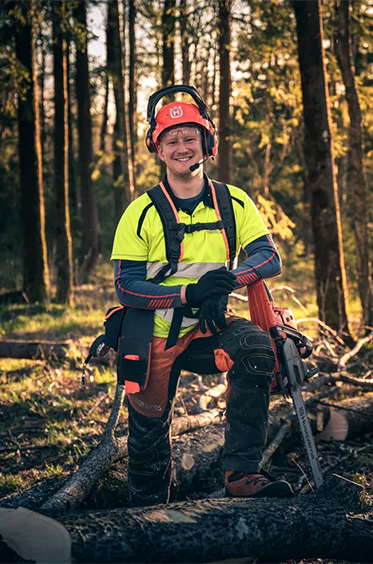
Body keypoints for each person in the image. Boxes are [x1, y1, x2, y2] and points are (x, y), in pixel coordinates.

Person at [107, 85, 291, 505]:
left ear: (208, 143)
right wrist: (190, 293)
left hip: (211, 327)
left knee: (256, 348)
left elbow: (269, 257)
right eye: (171, 140)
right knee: (147, 439)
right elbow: (126, 286)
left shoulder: (234, 202)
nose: (182, 147)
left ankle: (242, 473)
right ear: (158, 149)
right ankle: (147, 507)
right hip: (154, 335)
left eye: (190, 137)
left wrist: (225, 283)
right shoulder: (140, 212)